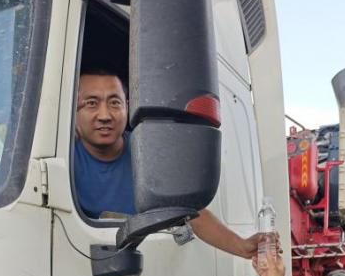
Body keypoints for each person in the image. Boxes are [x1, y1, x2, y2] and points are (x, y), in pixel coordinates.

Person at [73, 69, 260, 259]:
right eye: (91, 103)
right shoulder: (64, 153)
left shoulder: (147, 153)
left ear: (127, 107)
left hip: (148, 261)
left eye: (114, 103)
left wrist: (242, 247)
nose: (104, 115)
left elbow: (188, 210)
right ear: (74, 109)